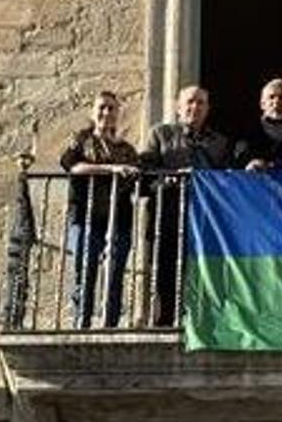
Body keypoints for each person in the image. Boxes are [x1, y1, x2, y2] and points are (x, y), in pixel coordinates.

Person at [142, 85, 229, 326]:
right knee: (166, 273)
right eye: (190, 102)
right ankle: (167, 322)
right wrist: (166, 179)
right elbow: (144, 174)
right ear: (179, 107)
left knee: (205, 272)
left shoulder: (219, 142)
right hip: (167, 216)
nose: (195, 107)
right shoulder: (160, 134)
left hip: (205, 219)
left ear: (208, 109)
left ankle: (204, 323)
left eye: (201, 103)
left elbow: (227, 179)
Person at [59, 91, 142, 328]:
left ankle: (110, 324)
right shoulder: (80, 141)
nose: (107, 113)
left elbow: (136, 175)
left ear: (118, 115)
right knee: (85, 273)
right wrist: (112, 170)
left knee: (114, 276)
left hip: (118, 220)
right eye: (102, 108)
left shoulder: (127, 149)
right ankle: (81, 322)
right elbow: (71, 166)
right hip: (86, 217)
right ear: (92, 112)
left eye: (112, 109)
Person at [232, 78, 282, 171]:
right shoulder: (247, 132)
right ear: (262, 104)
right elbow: (237, 162)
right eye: (271, 97)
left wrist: (271, 165)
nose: (276, 102)